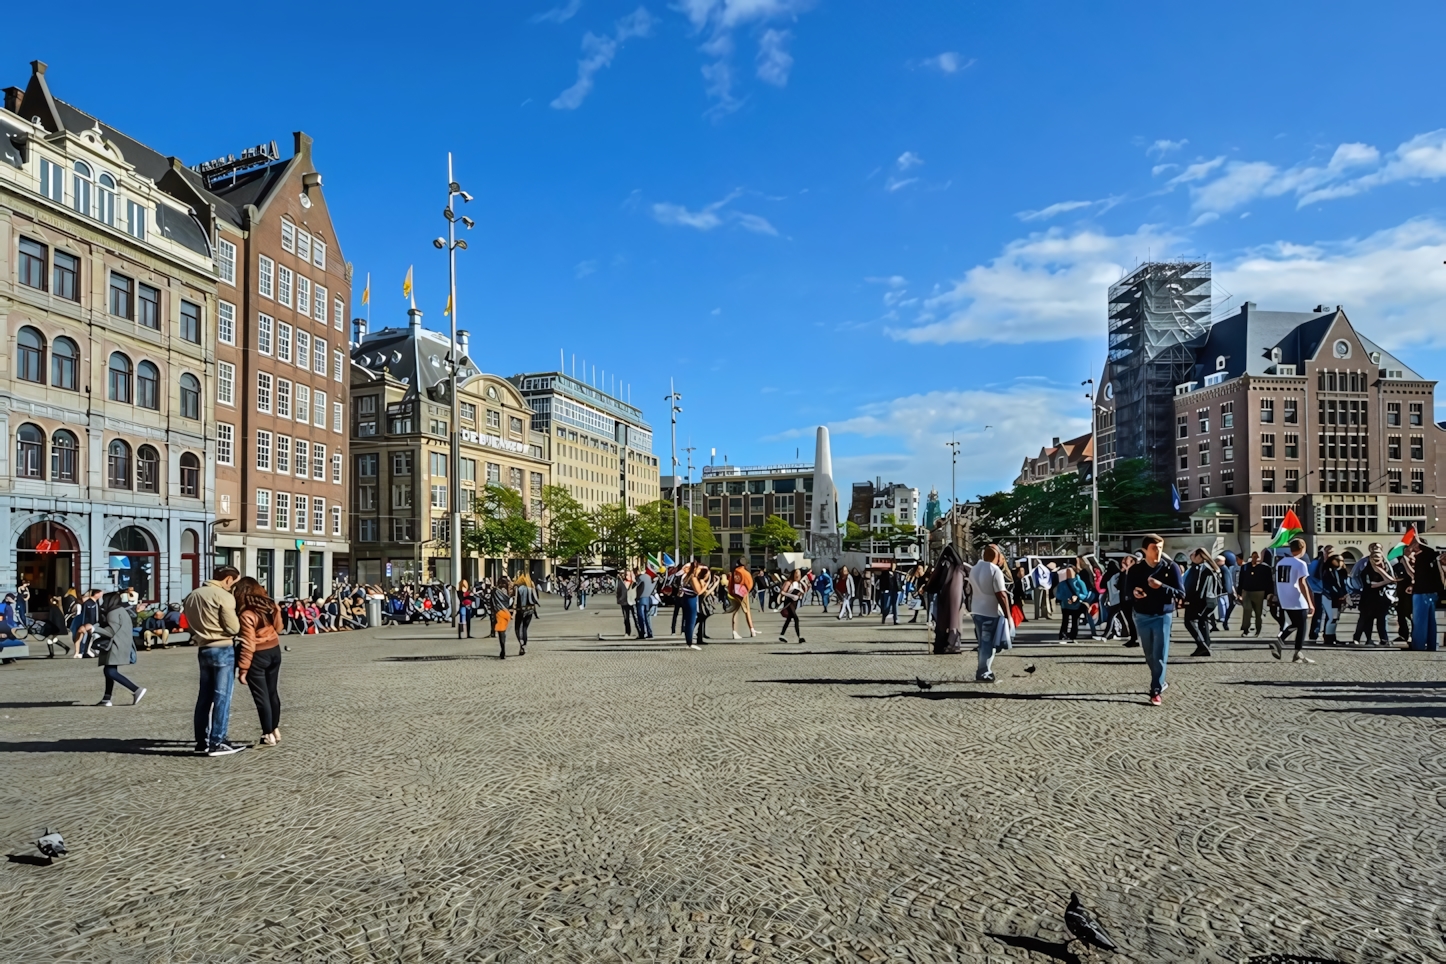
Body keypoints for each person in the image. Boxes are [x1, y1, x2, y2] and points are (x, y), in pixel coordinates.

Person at [183, 565, 247, 756]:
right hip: (222, 647)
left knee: (204, 696)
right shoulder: (223, 596)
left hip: (203, 648)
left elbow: (190, 624)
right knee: (222, 696)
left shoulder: (193, 595)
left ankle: (201, 741)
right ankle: (218, 741)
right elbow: (233, 627)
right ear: (228, 579)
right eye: (233, 583)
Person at [1126, 534, 1184, 705]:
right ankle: (1160, 680)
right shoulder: (1136, 569)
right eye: (1154, 548)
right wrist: (1135, 593)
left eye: (1160, 547)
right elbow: (1127, 592)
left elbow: (1181, 593)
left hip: (1162, 615)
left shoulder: (1170, 568)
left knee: (1159, 654)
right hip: (1142, 615)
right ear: (1145, 550)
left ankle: (1155, 689)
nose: (1158, 551)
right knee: (1150, 654)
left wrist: (1162, 587)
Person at [234, 576, 284, 747]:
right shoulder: (270, 606)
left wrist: (243, 669)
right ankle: (275, 729)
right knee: (272, 692)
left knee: (261, 697)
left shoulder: (247, 614)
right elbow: (279, 628)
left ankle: (267, 733)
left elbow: (248, 643)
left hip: (259, 655)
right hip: (275, 650)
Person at [92, 591, 145, 707]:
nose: (103, 603)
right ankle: (107, 698)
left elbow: (110, 632)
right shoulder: (121, 610)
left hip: (116, 645)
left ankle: (136, 689)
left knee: (109, 671)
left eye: (105, 600)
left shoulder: (113, 613)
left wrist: (93, 628)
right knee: (109, 670)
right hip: (121, 644)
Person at [968, 545, 1012, 684]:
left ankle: (983, 669)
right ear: (997, 556)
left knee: (983, 642)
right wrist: (1008, 615)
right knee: (988, 643)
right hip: (990, 611)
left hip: (976, 610)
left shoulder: (974, 569)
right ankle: (984, 671)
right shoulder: (995, 570)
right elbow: (1001, 594)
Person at [1271, 538, 1316, 663]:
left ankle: (1279, 641)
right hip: (1297, 598)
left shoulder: (1280, 563)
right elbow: (1302, 584)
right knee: (1302, 626)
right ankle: (1297, 653)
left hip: (1285, 598)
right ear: (1302, 548)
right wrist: (1310, 602)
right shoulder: (1300, 564)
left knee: (1295, 624)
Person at [1182, 549, 1220, 657]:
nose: (1191, 556)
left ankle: (1202, 645)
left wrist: (1186, 598)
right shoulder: (1211, 567)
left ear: (1200, 556)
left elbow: (1193, 585)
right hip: (1210, 599)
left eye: (1193, 555)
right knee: (1203, 622)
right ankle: (1206, 645)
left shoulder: (1198, 568)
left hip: (1198, 599)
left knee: (1189, 622)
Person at [1352, 549, 1394, 646]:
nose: (1376, 561)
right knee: (1366, 620)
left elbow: (1392, 579)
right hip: (1368, 598)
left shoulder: (1385, 568)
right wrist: (1385, 581)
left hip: (1381, 599)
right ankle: (1362, 638)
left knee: (1382, 620)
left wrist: (1380, 570)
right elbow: (1371, 584)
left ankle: (1384, 639)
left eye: (1378, 559)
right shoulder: (1366, 570)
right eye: (1374, 559)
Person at [1408, 539, 1442, 651]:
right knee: (1431, 622)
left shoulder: (1423, 557)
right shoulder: (1431, 559)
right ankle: (1431, 645)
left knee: (1420, 622)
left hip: (1422, 593)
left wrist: (1416, 538)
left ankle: (1419, 645)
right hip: (1431, 592)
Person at [1237, 551, 1272, 637]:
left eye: (1257, 557)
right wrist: (1239, 593)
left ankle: (1258, 630)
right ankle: (1245, 629)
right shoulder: (1245, 567)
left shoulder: (1265, 568)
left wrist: (1269, 593)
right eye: (1254, 556)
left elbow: (1269, 582)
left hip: (1259, 592)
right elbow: (1241, 580)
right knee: (1247, 610)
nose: (1255, 558)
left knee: (1258, 612)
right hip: (1247, 592)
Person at [1318, 554, 1348, 646]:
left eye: (1342, 560)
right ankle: (1328, 638)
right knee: (1332, 618)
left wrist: (1344, 594)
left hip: (1337, 597)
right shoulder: (1327, 571)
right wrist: (1338, 594)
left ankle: (1332, 637)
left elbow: (1342, 585)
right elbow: (1329, 586)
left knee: (1335, 618)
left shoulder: (1340, 571)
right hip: (1329, 597)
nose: (1340, 562)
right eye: (1337, 560)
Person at [1054, 567, 1087, 642]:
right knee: (1065, 621)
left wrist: (1077, 597)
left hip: (1076, 605)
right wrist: (1066, 598)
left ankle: (1073, 635)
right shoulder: (1062, 583)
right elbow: (1058, 594)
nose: (1068, 574)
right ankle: (1063, 634)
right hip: (1065, 605)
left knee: (1074, 621)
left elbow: (1085, 594)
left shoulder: (1080, 582)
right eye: (1067, 572)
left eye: (1070, 572)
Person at [727, 560, 757, 638]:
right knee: (747, 611)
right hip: (743, 592)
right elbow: (750, 584)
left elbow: (730, 583)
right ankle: (752, 629)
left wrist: (730, 591)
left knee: (735, 611)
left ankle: (734, 631)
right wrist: (747, 590)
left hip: (734, 592)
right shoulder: (745, 572)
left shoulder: (734, 572)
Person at [778, 569, 807, 643]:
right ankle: (799, 637)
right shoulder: (788, 583)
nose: (798, 575)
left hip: (794, 604)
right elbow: (782, 592)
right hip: (789, 603)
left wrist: (800, 594)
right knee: (796, 618)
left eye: (799, 574)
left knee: (788, 620)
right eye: (796, 573)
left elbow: (802, 592)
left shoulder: (799, 583)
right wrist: (792, 596)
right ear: (793, 574)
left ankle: (782, 634)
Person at [513, 573, 538, 655]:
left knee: (518, 628)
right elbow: (536, 598)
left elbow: (515, 599)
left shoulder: (517, 587)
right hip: (530, 610)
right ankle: (524, 645)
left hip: (521, 610)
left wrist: (514, 610)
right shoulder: (531, 586)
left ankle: (521, 645)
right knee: (524, 628)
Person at [680, 562, 703, 651]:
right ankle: (690, 642)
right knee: (691, 621)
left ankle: (689, 641)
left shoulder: (686, 577)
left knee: (688, 620)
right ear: (695, 569)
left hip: (687, 599)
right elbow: (698, 591)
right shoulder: (693, 578)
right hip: (691, 600)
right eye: (699, 569)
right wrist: (705, 585)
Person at [492, 576, 515, 659]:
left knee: (501, 633)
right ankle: (503, 647)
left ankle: (503, 650)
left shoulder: (495, 591)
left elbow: (492, 603)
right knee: (504, 632)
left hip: (499, 612)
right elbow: (510, 602)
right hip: (506, 612)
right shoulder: (508, 592)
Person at [633, 568, 655, 640]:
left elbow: (638, 586)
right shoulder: (648, 577)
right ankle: (650, 632)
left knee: (641, 616)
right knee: (647, 616)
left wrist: (637, 597)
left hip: (641, 598)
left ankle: (643, 633)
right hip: (647, 598)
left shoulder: (639, 578)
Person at [615, 571, 634, 637]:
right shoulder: (621, 583)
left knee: (636, 618)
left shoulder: (633, 582)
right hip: (624, 602)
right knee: (626, 618)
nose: (626, 576)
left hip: (632, 602)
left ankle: (641, 632)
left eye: (627, 575)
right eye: (625, 574)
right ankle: (627, 632)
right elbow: (618, 592)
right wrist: (619, 599)